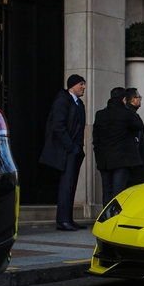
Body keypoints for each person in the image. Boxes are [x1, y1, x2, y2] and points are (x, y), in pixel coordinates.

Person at [38, 74, 88, 231]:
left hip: (76, 149)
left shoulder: (78, 103)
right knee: (66, 185)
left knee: (71, 185)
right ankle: (62, 221)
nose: (84, 87)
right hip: (69, 150)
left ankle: (68, 219)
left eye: (84, 84)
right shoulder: (62, 101)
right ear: (72, 86)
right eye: (81, 84)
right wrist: (70, 146)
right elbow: (58, 126)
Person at [93, 87, 144, 206]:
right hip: (121, 159)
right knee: (118, 190)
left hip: (104, 159)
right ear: (124, 99)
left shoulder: (100, 114)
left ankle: (105, 218)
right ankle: (113, 218)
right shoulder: (126, 114)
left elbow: (96, 137)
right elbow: (138, 126)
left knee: (106, 189)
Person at [125, 87, 144, 184]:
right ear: (133, 100)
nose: (140, 99)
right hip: (135, 160)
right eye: (139, 97)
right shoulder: (131, 115)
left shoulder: (132, 114)